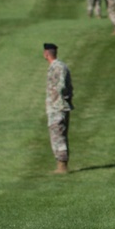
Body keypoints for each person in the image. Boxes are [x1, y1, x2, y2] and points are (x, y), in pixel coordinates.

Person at [44, 43, 73, 174]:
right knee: (58, 134)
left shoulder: (58, 67)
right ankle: (61, 164)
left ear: (46, 54)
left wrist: (57, 101)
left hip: (58, 107)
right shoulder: (59, 66)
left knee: (58, 135)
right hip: (58, 106)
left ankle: (62, 166)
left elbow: (61, 86)